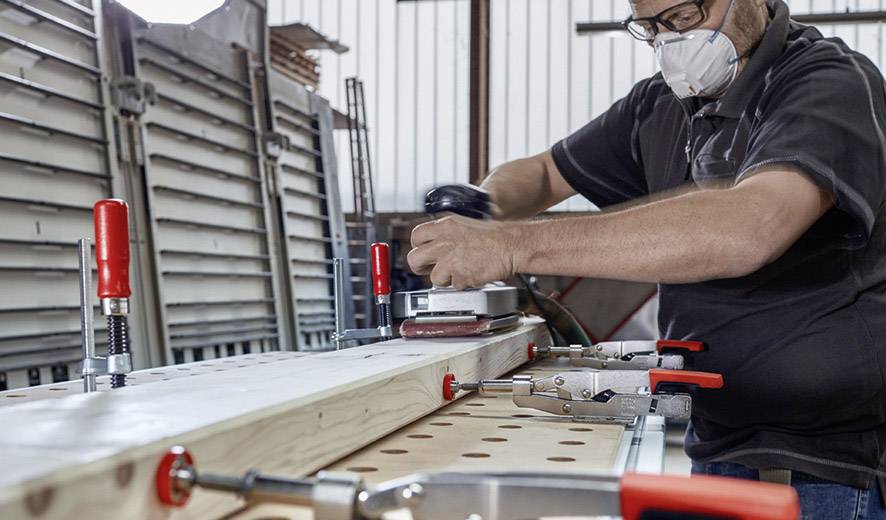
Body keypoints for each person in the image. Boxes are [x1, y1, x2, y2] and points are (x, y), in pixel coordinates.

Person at [407, 0, 886, 517]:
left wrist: (512, 244)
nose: (670, 42)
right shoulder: (659, 104)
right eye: (650, 26)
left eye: (682, 17)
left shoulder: (828, 82)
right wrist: (484, 207)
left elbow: (750, 226)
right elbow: (546, 172)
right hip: (718, 441)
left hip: (824, 468)